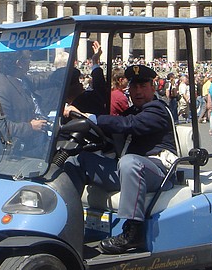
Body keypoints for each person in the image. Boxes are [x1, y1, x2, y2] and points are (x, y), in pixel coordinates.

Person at [64, 64, 177, 254]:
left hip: (158, 171)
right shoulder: (130, 112)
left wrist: (92, 117)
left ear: (153, 87)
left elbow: (129, 125)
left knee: (130, 162)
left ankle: (134, 231)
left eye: (143, 86)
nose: (138, 91)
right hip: (129, 169)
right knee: (78, 159)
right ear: (129, 89)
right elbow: (114, 134)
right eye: (134, 87)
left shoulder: (158, 110)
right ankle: (67, 220)